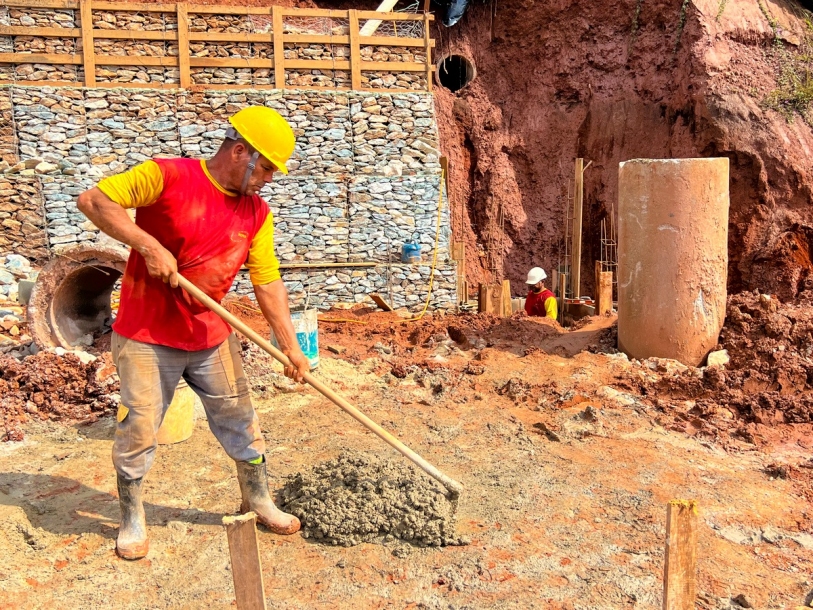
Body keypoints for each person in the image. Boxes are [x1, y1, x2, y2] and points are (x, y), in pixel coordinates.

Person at [76, 106, 311, 561]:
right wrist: (148, 244)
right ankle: (132, 516)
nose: (268, 179)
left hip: (210, 336)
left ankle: (258, 498)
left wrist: (290, 347)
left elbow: (267, 280)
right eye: (265, 168)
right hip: (146, 335)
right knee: (139, 427)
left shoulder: (257, 213)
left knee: (241, 419)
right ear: (240, 151)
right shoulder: (166, 176)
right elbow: (94, 201)